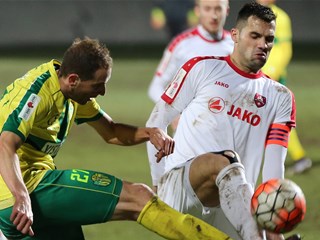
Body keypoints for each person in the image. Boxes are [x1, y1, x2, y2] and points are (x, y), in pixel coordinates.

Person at [0, 37, 232, 239]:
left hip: (18, 205)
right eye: (98, 85)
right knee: (138, 197)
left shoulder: (69, 90)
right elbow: (5, 143)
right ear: (73, 80)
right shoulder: (37, 94)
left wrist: (149, 133)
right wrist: (21, 196)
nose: (102, 92)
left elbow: (110, 132)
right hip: (22, 192)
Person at [147, 2, 297, 240]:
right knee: (224, 160)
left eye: (269, 39)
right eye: (255, 36)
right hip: (181, 191)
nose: (263, 45)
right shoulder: (202, 68)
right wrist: (157, 188)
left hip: (232, 203)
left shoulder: (281, 97)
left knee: (230, 167)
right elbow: (156, 123)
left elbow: (272, 173)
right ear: (235, 35)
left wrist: (273, 226)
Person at [148, 0, 233, 131]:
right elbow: (155, 87)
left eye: (218, 9)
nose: (214, 15)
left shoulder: (236, 45)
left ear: (227, 10)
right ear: (197, 10)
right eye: (208, 9)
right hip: (189, 133)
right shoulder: (181, 44)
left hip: (226, 132)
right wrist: (173, 113)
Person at [256, 0, 312, 175]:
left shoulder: (282, 17)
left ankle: (299, 157)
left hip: (271, 76)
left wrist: (273, 71)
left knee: (277, 116)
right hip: (256, 73)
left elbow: (285, 49)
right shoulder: (252, 14)